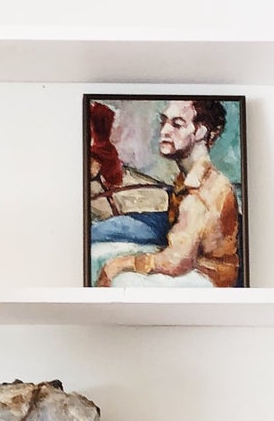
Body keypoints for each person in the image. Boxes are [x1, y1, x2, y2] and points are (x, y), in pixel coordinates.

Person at [94, 98, 242, 287]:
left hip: (209, 279)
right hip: (191, 262)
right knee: (102, 249)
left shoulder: (200, 195)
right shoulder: (192, 180)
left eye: (177, 125)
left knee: (121, 279)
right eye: (163, 122)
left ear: (201, 132)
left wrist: (121, 264)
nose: (164, 131)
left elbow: (176, 262)